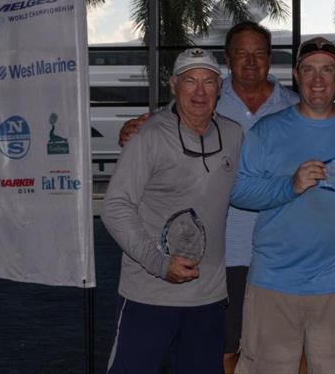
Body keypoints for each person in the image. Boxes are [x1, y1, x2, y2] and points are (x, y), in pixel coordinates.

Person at [117, 21, 299, 374]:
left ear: (270, 59)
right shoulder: (197, 107)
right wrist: (132, 132)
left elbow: (325, 126)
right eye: (241, 53)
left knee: (285, 352)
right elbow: (161, 135)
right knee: (223, 352)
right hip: (224, 259)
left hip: (280, 256)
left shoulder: (292, 106)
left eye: (259, 53)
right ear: (228, 60)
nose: (250, 61)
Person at [230, 36, 335, 374]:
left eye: (327, 70)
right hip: (273, 282)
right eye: (309, 70)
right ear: (296, 75)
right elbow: (238, 191)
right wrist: (289, 186)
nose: (318, 79)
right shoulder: (267, 130)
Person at [102, 48, 244, 374]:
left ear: (219, 88)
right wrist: (159, 263)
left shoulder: (234, 135)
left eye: (208, 81)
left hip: (208, 298)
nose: (199, 91)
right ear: (173, 85)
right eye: (190, 81)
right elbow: (115, 207)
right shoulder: (148, 136)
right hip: (148, 294)